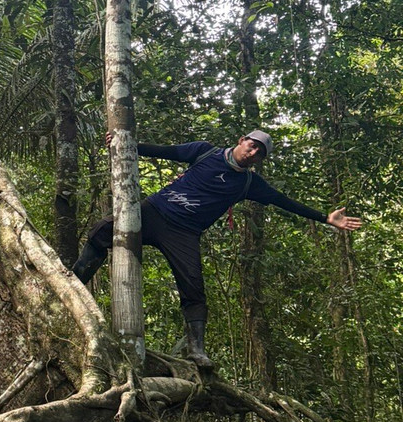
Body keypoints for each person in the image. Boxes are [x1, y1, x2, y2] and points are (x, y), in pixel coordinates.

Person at [72, 130, 362, 368]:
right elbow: (165, 150)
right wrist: (125, 143)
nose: (253, 154)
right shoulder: (205, 151)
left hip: (184, 233)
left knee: (194, 287)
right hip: (153, 212)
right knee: (101, 231)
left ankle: (196, 349)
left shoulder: (250, 182)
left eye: (260, 153)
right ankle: (73, 285)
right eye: (252, 146)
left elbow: (283, 201)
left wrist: (325, 218)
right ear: (241, 141)